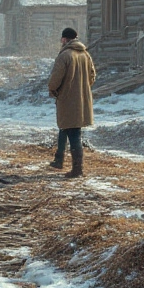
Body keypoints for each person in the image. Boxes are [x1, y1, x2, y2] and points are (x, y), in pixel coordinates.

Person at [47, 27, 96, 179]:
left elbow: (55, 78)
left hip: (67, 98)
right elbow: (92, 76)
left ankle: (77, 169)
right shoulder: (85, 54)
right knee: (66, 127)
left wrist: (53, 89)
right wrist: (82, 88)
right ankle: (59, 160)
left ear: (64, 39)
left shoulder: (65, 55)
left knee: (74, 133)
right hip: (81, 99)